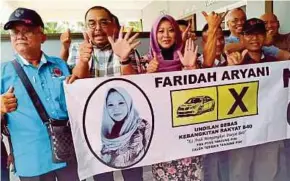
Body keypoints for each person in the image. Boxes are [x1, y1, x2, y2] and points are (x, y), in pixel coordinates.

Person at [1, 7, 79, 181]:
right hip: (31, 160)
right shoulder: (3, 72)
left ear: (42, 36)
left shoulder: (59, 65)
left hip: (68, 154)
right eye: (15, 32)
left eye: (27, 30)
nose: (20, 35)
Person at [67, 6, 144, 181]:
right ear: (85, 28)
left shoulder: (126, 48)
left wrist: (124, 58)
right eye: (91, 24)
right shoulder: (77, 49)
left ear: (114, 27)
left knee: (133, 175)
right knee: (102, 177)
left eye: (104, 22)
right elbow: (75, 89)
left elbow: (137, 89)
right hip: (94, 128)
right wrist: (83, 61)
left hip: (128, 127)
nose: (98, 28)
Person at [226, 18, 288, 181]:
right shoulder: (234, 63)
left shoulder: (275, 64)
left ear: (265, 36)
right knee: (239, 174)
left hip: (269, 131)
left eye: (259, 34)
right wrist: (231, 70)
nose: (254, 39)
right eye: (249, 34)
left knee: (267, 173)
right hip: (242, 132)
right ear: (242, 37)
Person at [144, 14, 201, 181]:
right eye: (161, 31)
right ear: (154, 35)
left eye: (170, 30)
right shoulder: (146, 61)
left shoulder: (188, 57)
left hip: (187, 130)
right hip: (161, 133)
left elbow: (199, 92)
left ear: (177, 33)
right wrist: (148, 74)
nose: (166, 35)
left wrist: (191, 69)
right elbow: (139, 97)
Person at [100, 87, 151, 167]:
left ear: (129, 103)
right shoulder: (107, 131)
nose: (116, 108)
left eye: (121, 103)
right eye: (110, 105)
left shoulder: (142, 126)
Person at [224, 8, 290, 61]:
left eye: (243, 19)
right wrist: (257, 42)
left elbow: (285, 56)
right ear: (227, 24)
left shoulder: (260, 40)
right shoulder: (224, 40)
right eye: (234, 21)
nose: (240, 23)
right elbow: (226, 50)